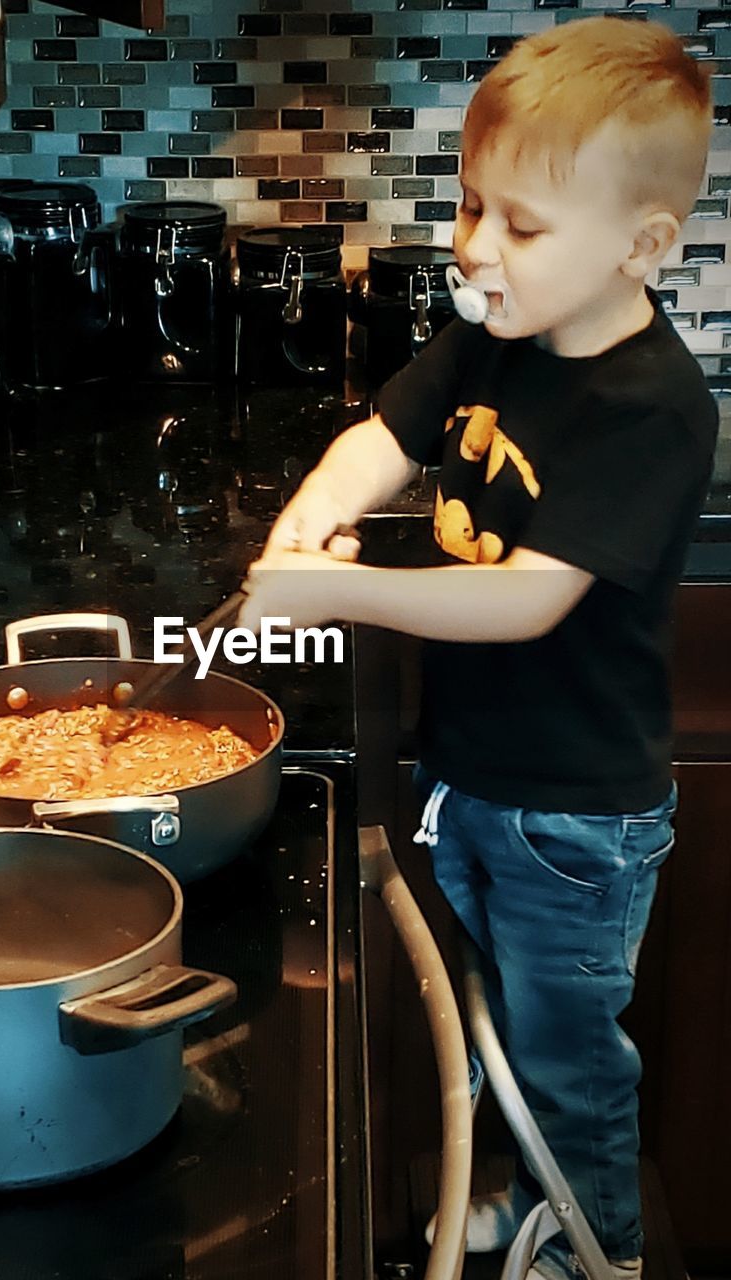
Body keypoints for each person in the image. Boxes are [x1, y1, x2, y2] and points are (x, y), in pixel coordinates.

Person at [238, 17, 718, 1280]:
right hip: (483, 780)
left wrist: (336, 595)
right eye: (471, 207)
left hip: (577, 820)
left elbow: (527, 602)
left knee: (568, 1051)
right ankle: (536, 1188)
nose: (473, 248)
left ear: (642, 246)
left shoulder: (653, 408)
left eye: (519, 224)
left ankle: (596, 1242)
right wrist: (312, 521)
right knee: (503, 1025)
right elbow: (379, 437)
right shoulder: (494, 338)